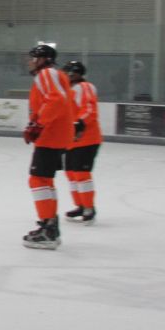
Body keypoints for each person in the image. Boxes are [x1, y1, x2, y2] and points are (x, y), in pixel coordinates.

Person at [22, 41, 75, 249]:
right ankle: (50, 225)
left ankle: (48, 230)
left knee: (37, 179)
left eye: (34, 58)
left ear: (44, 60)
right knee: (44, 180)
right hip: (56, 135)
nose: (30, 62)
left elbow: (56, 100)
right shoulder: (54, 75)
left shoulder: (47, 74)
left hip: (51, 135)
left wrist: (38, 124)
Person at [63, 60, 102, 224]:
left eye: (69, 73)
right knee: (71, 173)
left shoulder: (84, 87)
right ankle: (80, 205)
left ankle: (89, 207)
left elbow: (90, 110)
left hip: (87, 139)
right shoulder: (68, 90)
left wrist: (79, 122)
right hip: (71, 140)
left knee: (81, 173)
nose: (66, 75)